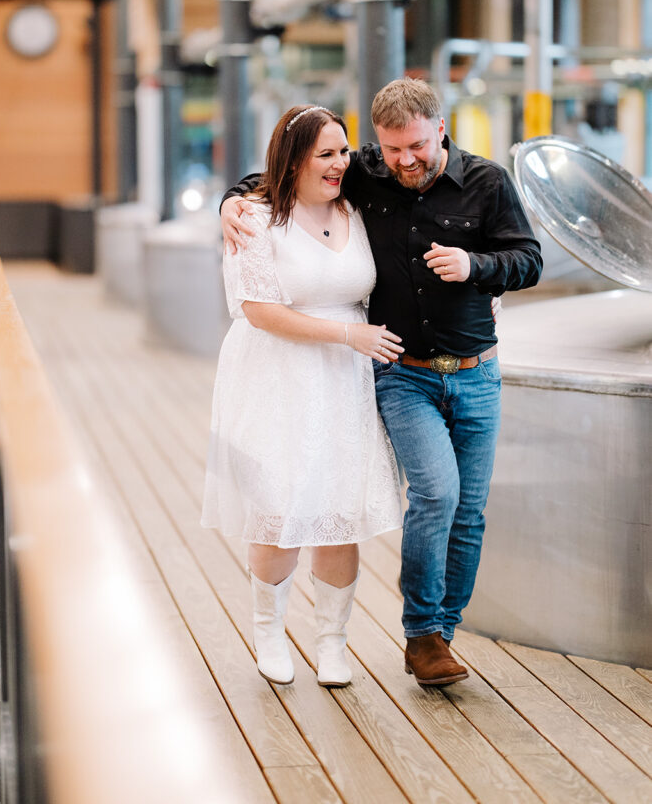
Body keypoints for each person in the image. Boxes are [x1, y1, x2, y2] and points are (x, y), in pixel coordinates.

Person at [221, 78, 543, 688]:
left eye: (416, 146)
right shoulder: (363, 175)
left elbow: (528, 259)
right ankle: (419, 634)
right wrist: (229, 202)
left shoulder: (487, 182)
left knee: (467, 512)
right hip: (399, 375)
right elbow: (279, 174)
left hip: (476, 374)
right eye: (391, 149)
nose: (404, 161)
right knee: (434, 494)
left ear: (441, 129)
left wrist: (476, 266)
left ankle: (437, 635)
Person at [202, 104, 403, 689]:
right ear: (293, 162)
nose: (341, 164)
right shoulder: (255, 219)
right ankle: (268, 632)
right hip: (277, 374)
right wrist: (348, 334)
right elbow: (261, 312)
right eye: (326, 154)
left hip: (344, 379)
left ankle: (333, 643)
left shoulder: (355, 209)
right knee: (278, 508)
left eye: (344, 151)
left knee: (340, 513)